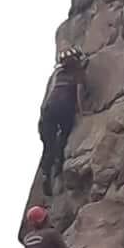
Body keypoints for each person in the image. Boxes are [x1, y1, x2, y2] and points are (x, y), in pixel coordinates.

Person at [39, 45, 88, 195]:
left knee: (49, 145)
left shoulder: (58, 73)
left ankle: (46, 172)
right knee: (64, 135)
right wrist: (83, 109)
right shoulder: (77, 73)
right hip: (64, 108)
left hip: (49, 109)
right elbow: (79, 92)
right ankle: (58, 165)